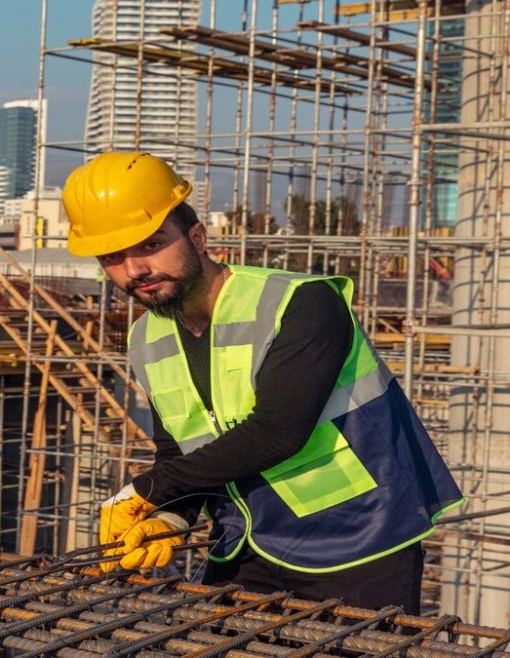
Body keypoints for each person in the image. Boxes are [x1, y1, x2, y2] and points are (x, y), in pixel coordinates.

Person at [62, 152, 462, 612]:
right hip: (245, 544)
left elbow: (277, 431)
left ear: (197, 236)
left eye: (151, 244)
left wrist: (149, 489)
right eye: (113, 256)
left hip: (358, 543)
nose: (134, 269)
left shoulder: (302, 302)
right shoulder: (146, 337)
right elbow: (180, 451)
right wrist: (172, 515)